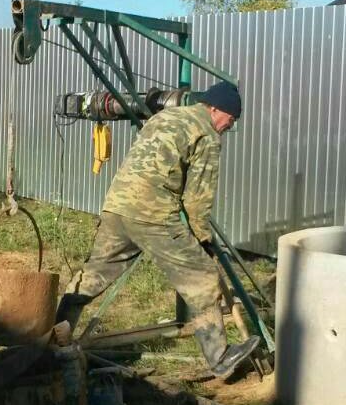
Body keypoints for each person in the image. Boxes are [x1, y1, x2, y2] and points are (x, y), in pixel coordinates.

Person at [55, 80, 260, 379]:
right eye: (231, 119)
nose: (230, 125)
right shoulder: (207, 135)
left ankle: (56, 333)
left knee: (95, 273)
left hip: (117, 205)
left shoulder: (164, 116)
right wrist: (202, 240)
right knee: (202, 277)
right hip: (153, 214)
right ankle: (221, 359)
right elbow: (198, 198)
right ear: (215, 109)